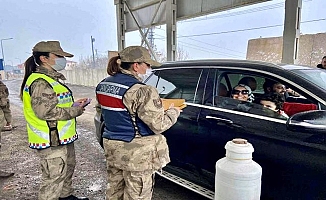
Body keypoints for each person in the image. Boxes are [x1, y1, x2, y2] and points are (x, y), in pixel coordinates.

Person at [95, 46, 181, 200]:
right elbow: (158, 125)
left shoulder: (103, 85)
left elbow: (102, 111)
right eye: (147, 65)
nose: (149, 68)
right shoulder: (143, 90)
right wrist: (174, 111)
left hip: (113, 148)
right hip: (137, 154)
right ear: (136, 65)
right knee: (137, 195)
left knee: (114, 191)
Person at [20, 41, 89, 200]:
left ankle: (66, 196)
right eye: (58, 56)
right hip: (50, 139)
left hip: (60, 137)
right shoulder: (40, 82)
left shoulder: (50, 79)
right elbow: (46, 112)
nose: (62, 59)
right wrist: (75, 110)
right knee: (53, 179)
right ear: (44, 58)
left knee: (66, 169)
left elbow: (55, 104)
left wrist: (73, 105)